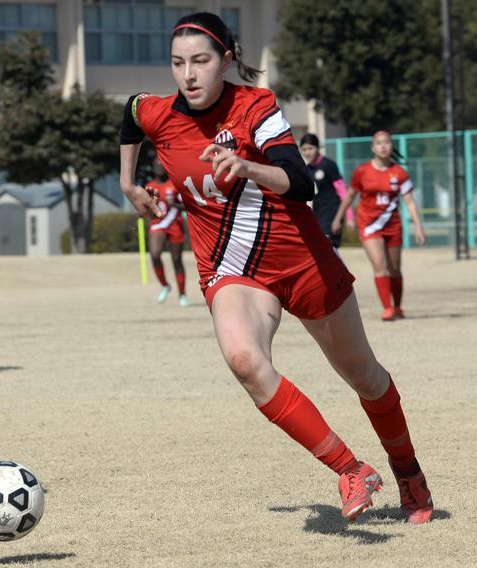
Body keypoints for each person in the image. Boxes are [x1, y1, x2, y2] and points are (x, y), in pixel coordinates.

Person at [119, 12, 433, 524]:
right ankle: (351, 469)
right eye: (178, 63)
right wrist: (129, 183)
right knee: (244, 360)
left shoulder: (255, 105)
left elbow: (301, 180)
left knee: (365, 377)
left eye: (200, 61)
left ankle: (409, 474)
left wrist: (247, 167)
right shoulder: (158, 112)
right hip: (231, 267)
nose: (189, 74)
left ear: (226, 60)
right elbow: (130, 113)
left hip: (302, 260)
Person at [332, 131, 426, 321]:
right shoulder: (362, 171)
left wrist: (418, 226)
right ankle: (387, 308)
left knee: (395, 269)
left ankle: (398, 307)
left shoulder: (399, 173)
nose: (383, 146)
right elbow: (350, 196)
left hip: (393, 225)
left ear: (392, 146)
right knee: (379, 265)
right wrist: (339, 218)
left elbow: (409, 201)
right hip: (369, 225)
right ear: (373, 147)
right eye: (379, 143)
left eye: (387, 143)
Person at [146, 157, 189, 306]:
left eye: (161, 165)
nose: (159, 168)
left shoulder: (175, 184)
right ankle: (164, 284)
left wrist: (175, 205)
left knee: (176, 260)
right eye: (156, 165)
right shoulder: (150, 187)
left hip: (174, 223)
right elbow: (147, 211)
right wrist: (145, 210)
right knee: (155, 254)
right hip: (158, 224)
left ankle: (182, 294)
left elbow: (188, 205)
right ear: (153, 168)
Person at [299, 133, 353, 248]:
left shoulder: (328, 165)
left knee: (328, 248)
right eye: (304, 149)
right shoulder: (307, 169)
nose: (308, 152)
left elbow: (343, 192)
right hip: (317, 214)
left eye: (310, 148)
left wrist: (349, 217)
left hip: (332, 214)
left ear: (318, 148)